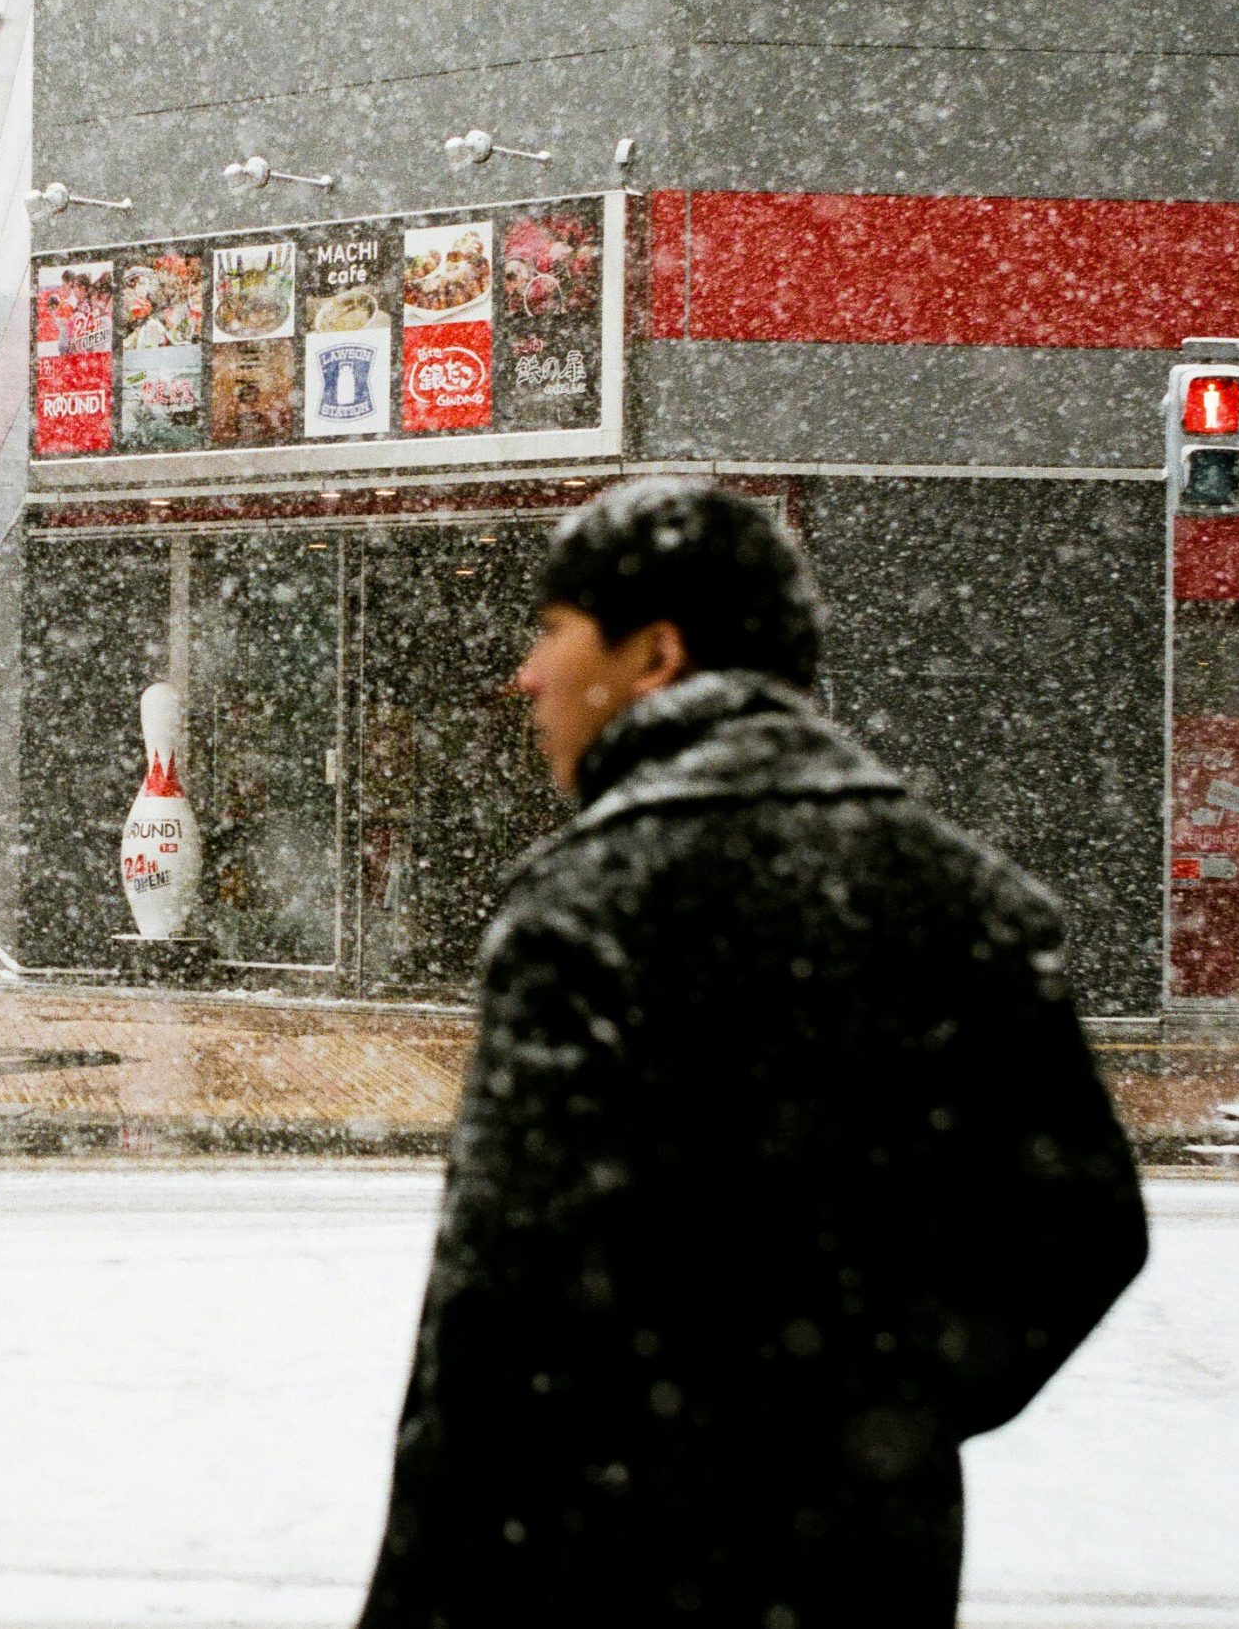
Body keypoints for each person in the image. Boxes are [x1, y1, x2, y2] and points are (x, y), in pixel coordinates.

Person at [358, 479, 1146, 1629]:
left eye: (552, 629)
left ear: (655, 654)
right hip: (869, 1567)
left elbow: (496, 1327)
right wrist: (882, 1412)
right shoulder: (957, 893)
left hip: (611, 1571)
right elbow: (1082, 1226)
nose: (526, 674)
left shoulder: (590, 908)